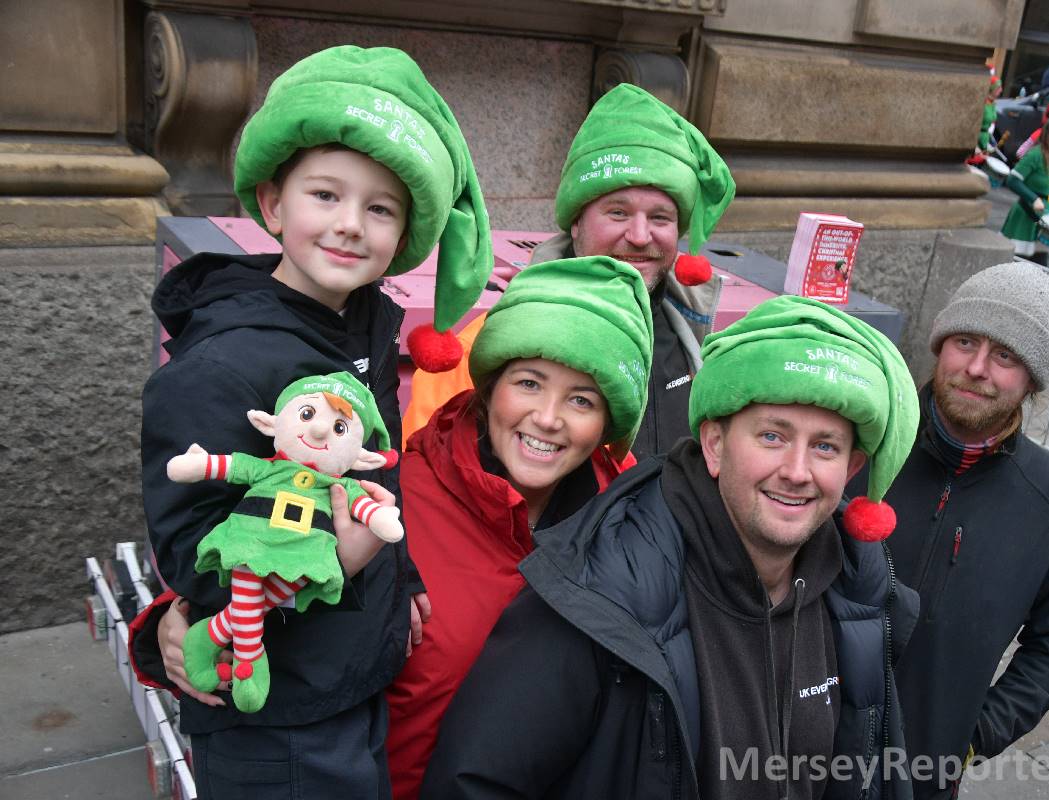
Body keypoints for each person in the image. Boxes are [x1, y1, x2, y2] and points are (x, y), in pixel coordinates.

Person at [132, 45, 492, 798]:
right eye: (326, 195)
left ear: (405, 234)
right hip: (271, 704)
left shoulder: (366, 324)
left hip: (348, 671)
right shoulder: (222, 364)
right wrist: (340, 559)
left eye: (380, 208)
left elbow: (370, 469)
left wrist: (399, 571)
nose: (351, 225)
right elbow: (194, 550)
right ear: (273, 204)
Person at [421, 295, 922, 800]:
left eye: (825, 447)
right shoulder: (600, 589)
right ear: (714, 444)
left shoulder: (857, 589)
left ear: (852, 468)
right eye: (772, 436)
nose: (797, 471)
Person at [385, 256, 653, 798]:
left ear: (607, 422)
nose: (548, 418)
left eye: (581, 399)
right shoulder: (394, 503)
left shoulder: (632, 525)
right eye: (529, 383)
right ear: (490, 389)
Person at [400, 83, 734, 462]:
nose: (640, 236)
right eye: (618, 213)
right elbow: (424, 472)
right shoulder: (484, 347)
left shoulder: (695, 335)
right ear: (576, 222)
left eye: (660, 217)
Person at [876, 261, 1049, 800]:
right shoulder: (864, 439)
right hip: (786, 749)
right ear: (941, 345)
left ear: (1031, 380)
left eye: (1005, 355)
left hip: (920, 777)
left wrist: (974, 736)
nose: (977, 368)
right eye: (965, 342)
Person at [1001, 116, 1049, 262]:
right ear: (1048, 134)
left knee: (1038, 269)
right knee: (1013, 265)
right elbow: (1012, 180)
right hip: (1025, 216)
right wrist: (1033, 199)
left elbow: (1048, 192)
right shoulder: (1035, 155)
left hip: (1043, 219)